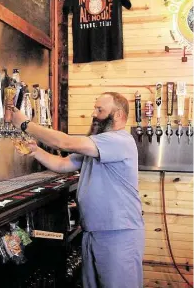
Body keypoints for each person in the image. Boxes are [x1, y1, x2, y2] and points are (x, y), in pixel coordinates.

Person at [10, 92, 145, 288]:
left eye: (100, 110)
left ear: (117, 115)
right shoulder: (96, 145)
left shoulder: (119, 140)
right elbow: (63, 163)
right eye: (94, 108)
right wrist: (36, 151)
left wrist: (25, 124)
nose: (93, 114)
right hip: (93, 232)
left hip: (118, 234)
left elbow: (62, 143)